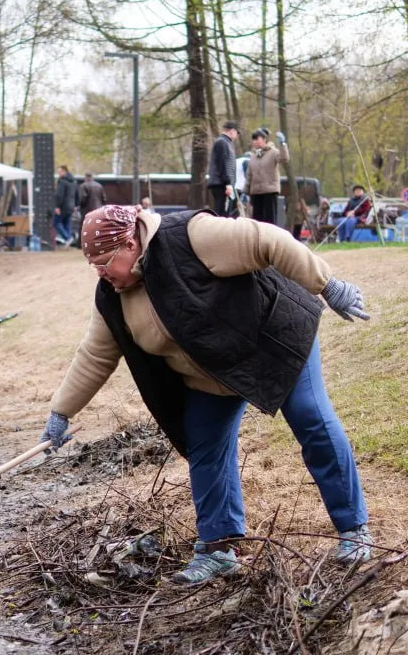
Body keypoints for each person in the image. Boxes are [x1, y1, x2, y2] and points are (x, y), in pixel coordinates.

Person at [40, 204, 373, 585]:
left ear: (130, 244)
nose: (100, 273)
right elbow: (96, 355)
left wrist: (328, 286)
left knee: (310, 417)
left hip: (273, 340)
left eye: (104, 262)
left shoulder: (192, 236)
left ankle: (354, 529)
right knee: (204, 443)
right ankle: (218, 550)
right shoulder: (113, 297)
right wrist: (61, 412)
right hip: (212, 373)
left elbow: (268, 240)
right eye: (93, 265)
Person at [246, 128, 289, 225]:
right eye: (253, 139)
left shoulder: (273, 152)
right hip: (256, 192)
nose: (254, 141)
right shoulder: (253, 156)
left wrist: (283, 144)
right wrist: (245, 191)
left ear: (264, 139)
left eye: (257, 139)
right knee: (256, 220)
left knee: (270, 219)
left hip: (270, 191)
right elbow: (249, 175)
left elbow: (284, 158)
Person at [207, 122, 238, 215]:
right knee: (222, 214)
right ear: (232, 131)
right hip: (221, 185)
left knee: (224, 212)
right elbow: (223, 164)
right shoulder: (222, 142)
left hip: (222, 184)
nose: (237, 136)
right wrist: (228, 183)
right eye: (237, 133)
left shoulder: (225, 142)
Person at [53, 165, 79, 247]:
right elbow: (77, 194)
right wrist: (76, 205)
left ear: (64, 171)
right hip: (71, 206)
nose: (58, 173)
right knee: (66, 224)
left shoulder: (62, 181)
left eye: (60, 171)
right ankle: (69, 240)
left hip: (63, 206)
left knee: (56, 222)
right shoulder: (74, 181)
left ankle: (67, 238)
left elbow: (59, 195)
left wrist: (57, 206)